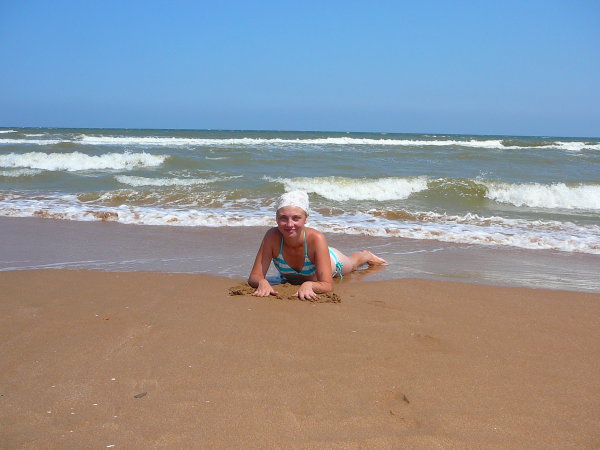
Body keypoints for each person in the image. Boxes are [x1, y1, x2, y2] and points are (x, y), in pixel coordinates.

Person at [248, 190, 387, 300]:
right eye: (283, 218)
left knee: (352, 263)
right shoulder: (272, 237)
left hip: (332, 260)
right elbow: (254, 276)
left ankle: (366, 255)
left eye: (296, 218)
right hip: (312, 259)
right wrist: (262, 282)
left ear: (306, 219)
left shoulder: (317, 238)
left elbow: (327, 285)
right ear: (276, 218)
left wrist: (309, 285)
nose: (289, 224)